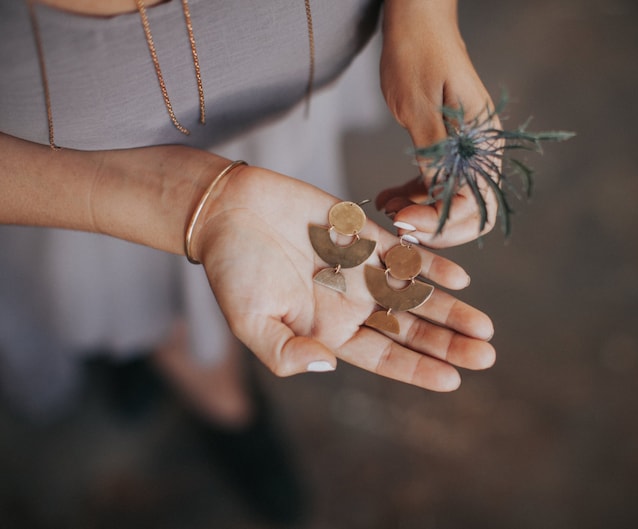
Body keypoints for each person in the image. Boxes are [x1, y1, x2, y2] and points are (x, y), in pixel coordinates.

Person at [1, 0, 501, 522]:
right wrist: (191, 202)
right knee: (128, 295)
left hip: (290, 113)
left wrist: (426, 21)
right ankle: (210, 396)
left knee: (187, 305)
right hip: (72, 178)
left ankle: (186, 376)